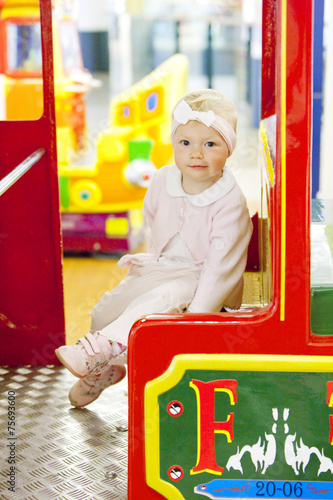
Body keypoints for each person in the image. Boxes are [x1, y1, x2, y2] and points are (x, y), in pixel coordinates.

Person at [55, 89, 253, 407]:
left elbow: (222, 267)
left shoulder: (230, 202)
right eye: (185, 143)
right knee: (108, 307)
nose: (196, 154)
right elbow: (153, 218)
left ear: (229, 149)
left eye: (210, 144)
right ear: (173, 143)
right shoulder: (163, 180)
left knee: (160, 299)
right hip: (162, 264)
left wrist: (199, 315)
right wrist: (150, 264)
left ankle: (101, 349)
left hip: (202, 277)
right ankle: (105, 369)